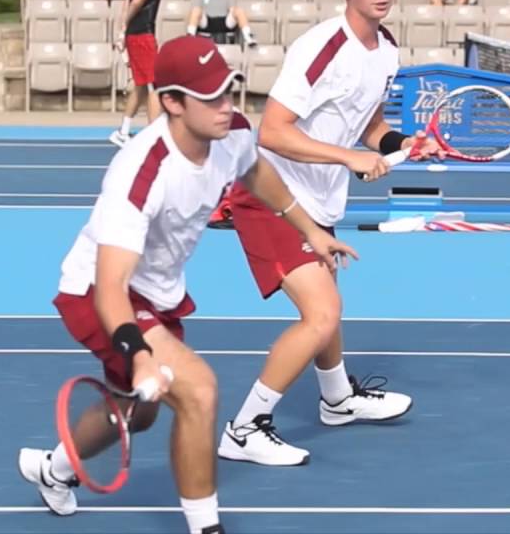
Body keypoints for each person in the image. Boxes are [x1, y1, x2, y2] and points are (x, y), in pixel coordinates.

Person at [18, 35, 360, 533]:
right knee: (198, 391)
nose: (226, 106)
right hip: (98, 292)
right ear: (172, 103)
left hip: (157, 291)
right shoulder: (140, 173)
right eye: (210, 97)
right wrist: (138, 353)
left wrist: (308, 229)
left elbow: (256, 172)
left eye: (228, 90)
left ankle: (53, 470)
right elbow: (110, 286)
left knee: (138, 412)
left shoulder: (233, 133)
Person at [216, 0, 443, 467]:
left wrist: (400, 143)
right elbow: (272, 132)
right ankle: (244, 428)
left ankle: (337, 400)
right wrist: (349, 158)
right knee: (322, 315)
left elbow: (368, 123)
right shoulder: (320, 48)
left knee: (327, 309)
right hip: (271, 195)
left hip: (319, 202)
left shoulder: (386, 50)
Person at [111, 0, 176, 148]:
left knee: (140, 84)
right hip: (142, 34)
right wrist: (124, 27)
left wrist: (123, 29)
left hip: (135, 34)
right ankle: (154, 135)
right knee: (155, 85)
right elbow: (138, 0)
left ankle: (123, 131)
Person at [186, 0, 258, 47]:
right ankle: (190, 38)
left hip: (224, 22)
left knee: (239, 10)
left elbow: (232, 10)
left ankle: (248, 37)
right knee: (196, 10)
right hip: (207, 22)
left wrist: (233, 13)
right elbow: (195, 12)